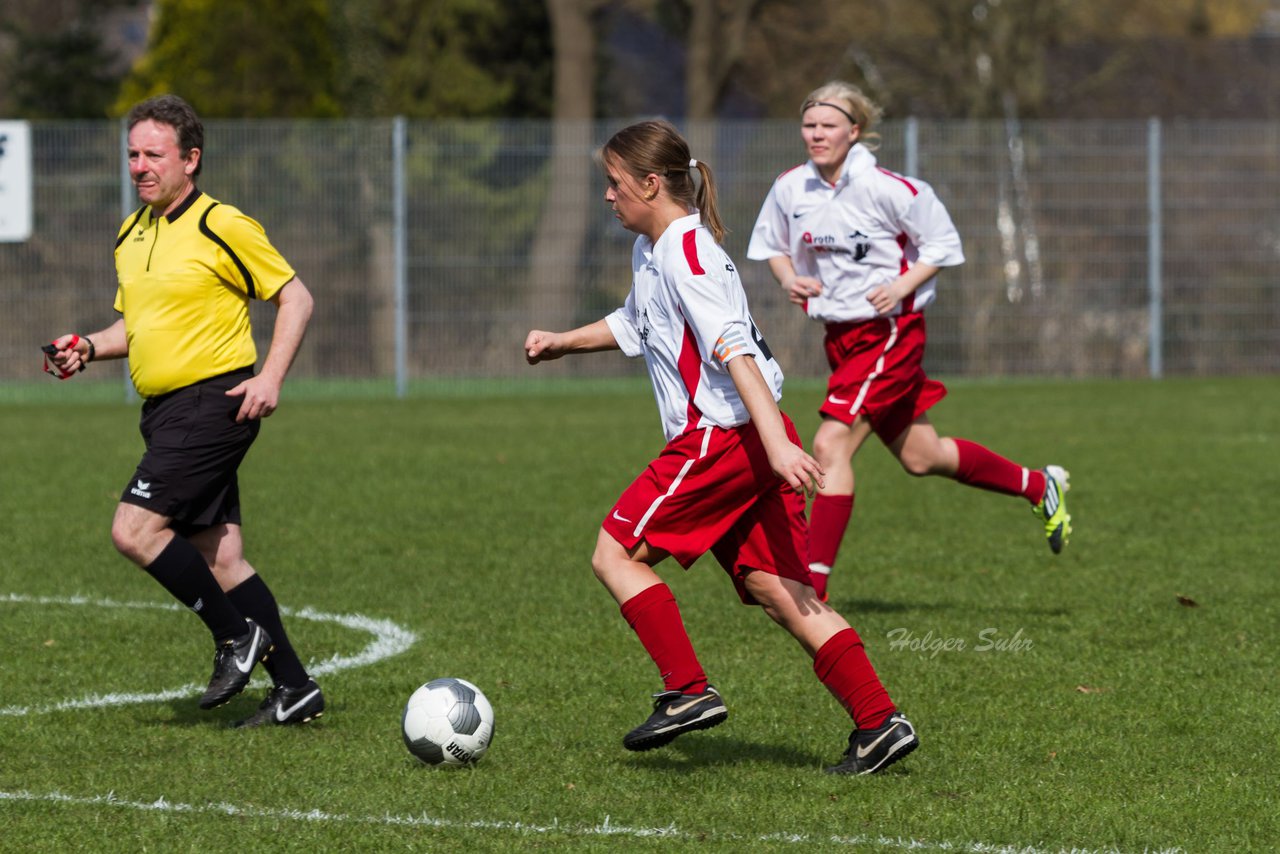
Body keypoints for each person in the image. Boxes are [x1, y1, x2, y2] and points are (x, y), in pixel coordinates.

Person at [524, 119, 917, 775]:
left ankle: (687, 690)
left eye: (614, 184)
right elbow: (635, 323)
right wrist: (562, 341)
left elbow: (733, 347)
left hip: (724, 437)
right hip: (749, 440)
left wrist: (775, 446)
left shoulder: (688, 253)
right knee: (781, 588)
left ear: (651, 184)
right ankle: (880, 722)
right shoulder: (656, 250)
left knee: (616, 554)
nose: (607, 197)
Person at [45, 94, 324, 728]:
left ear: (190, 160)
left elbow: (297, 298)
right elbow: (136, 328)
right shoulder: (130, 231)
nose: (140, 166)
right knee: (220, 557)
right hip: (165, 411)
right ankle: (295, 687)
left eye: (154, 154)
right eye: (133, 154)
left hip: (213, 402)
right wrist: (88, 347)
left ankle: (235, 638)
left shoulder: (221, 224)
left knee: (133, 530)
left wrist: (270, 378)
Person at [747, 81, 1072, 602]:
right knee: (923, 455)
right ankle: (1038, 485)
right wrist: (789, 280)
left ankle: (812, 589)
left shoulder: (891, 188)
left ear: (854, 131)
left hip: (891, 332)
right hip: (842, 337)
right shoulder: (791, 187)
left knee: (830, 444)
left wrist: (901, 285)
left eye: (828, 126)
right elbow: (771, 247)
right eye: (809, 125)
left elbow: (943, 244)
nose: (816, 135)